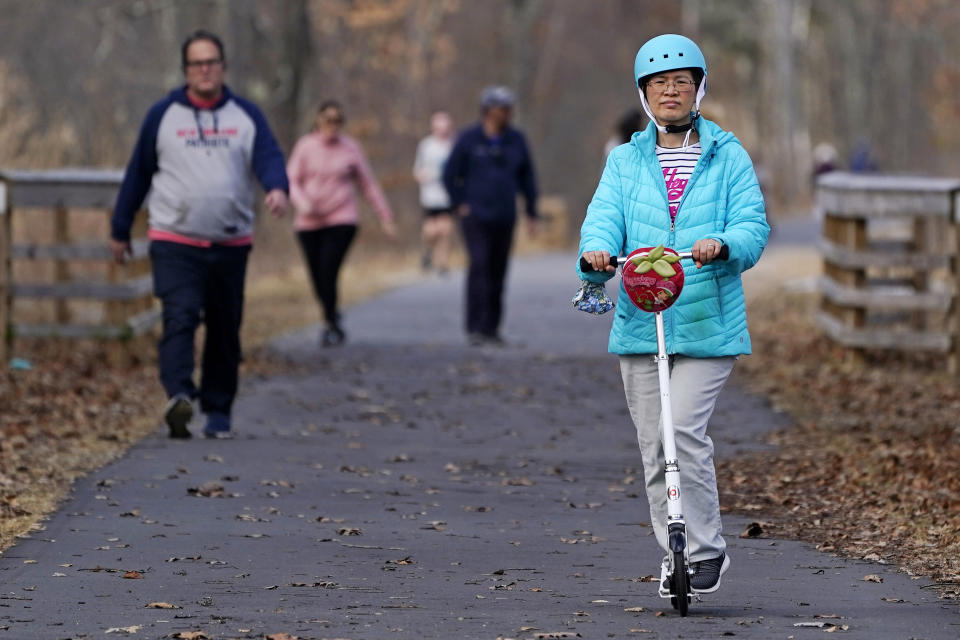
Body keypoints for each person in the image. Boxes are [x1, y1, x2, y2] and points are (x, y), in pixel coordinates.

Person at [578, 34, 769, 594]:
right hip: (643, 320)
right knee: (654, 445)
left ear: (698, 90)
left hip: (708, 319)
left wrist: (724, 243)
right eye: (659, 83)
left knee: (682, 431)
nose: (670, 91)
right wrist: (594, 259)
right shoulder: (625, 161)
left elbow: (753, 228)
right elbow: (603, 221)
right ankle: (675, 552)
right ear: (644, 94)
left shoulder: (728, 155)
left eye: (681, 82)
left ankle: (708, 551)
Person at [110, 30, 289, 440]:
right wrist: (120, 229)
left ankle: (219, 410)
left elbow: (269, 156)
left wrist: (277, 187)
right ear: (186, 70)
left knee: (225, 328)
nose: (205, 70)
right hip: (175, 238)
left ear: (223, 67)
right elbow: (138, 173)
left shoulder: (245, 115)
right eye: (197, 64)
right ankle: (179, 396)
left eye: (212, 62)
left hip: (230, 242)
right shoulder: (162, 115)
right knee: (180, 316)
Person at [287, 100, 397, 347]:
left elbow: (368, 185)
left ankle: (330, 323)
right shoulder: (305, 147)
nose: (332, 125)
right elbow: (291, 180)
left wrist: (385, 217)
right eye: (328, 119)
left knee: (328, 269)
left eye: (337, 120)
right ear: (318, 120)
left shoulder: (351, 149)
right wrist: (302, 203)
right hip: (308, 221)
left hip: (341, 219)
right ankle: (331, 313)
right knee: (317, 275)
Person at [442, 86, 538, 346]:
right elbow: (450, 173)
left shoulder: (516, 140)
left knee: (498, 270)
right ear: (488, 110)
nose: (508, 113)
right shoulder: (469, 139)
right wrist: (458, 203)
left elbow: (527, 177)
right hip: (475, 216)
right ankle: (475, 327)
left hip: (504, 215)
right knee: (479, 265)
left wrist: (531, 212)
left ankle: (492, 329)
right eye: (503, 108)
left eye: (510, 108)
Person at [413, 110, 455, 274]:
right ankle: (428, 252)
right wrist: (423, 176)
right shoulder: (426, 145)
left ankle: (442, 264)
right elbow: (417, 170)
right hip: (430, 195)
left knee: (445, 230)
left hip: (448, 195)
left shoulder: (454, 144)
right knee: (431, 231)